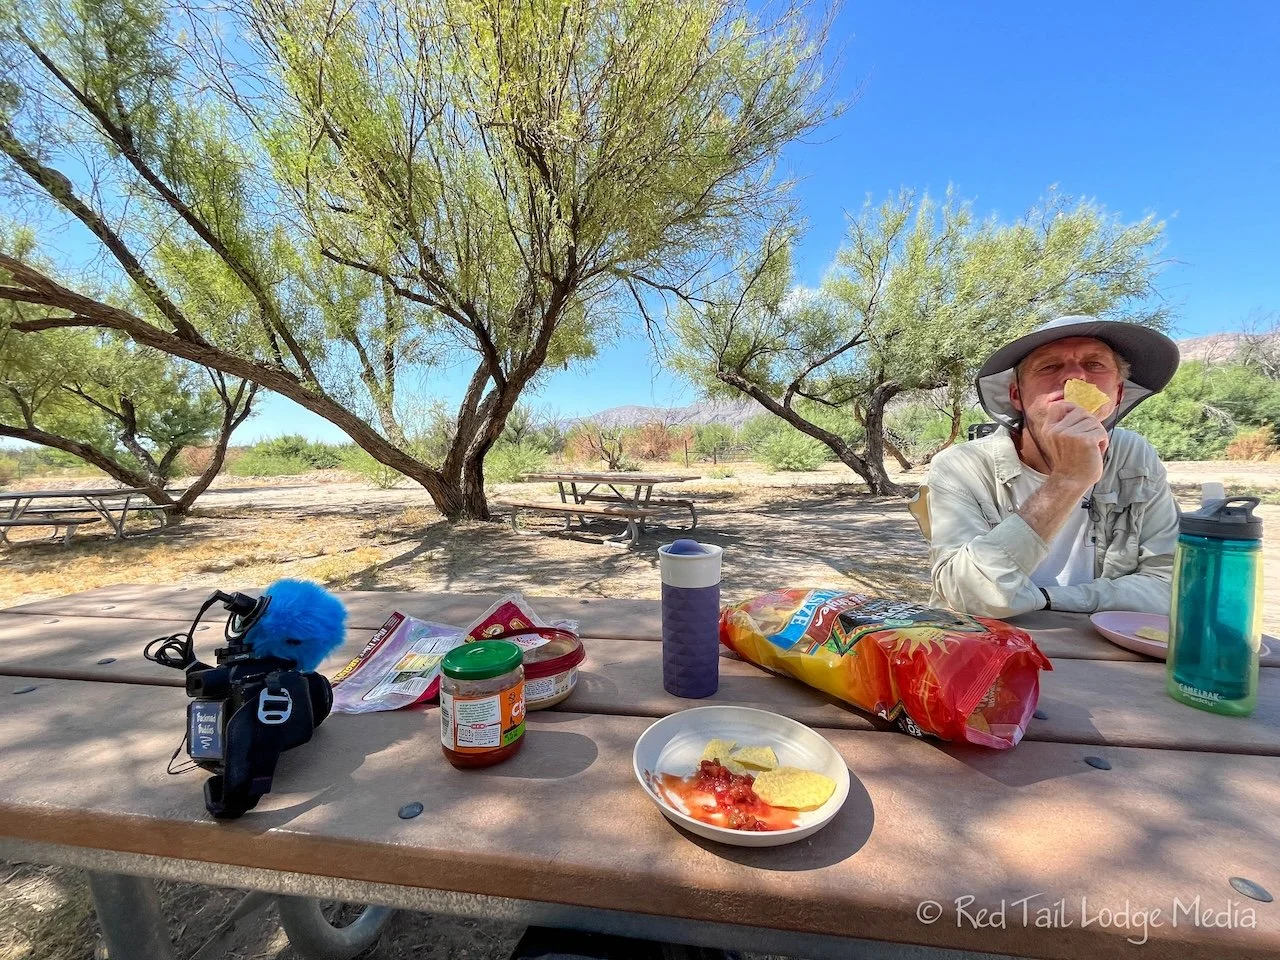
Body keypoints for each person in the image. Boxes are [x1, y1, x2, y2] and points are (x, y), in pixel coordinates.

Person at [927, 315, 1181, 618]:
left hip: (1103, 646)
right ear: (1016, 396)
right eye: (1049, 366)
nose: (1075, 378)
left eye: (1094, 365)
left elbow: (1171, 586)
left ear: (1118, 394)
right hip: (994, 645)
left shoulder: (1134, 457)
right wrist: (1067, 481)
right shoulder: (963, 466)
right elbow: (966, 594)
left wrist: (1046, 599)